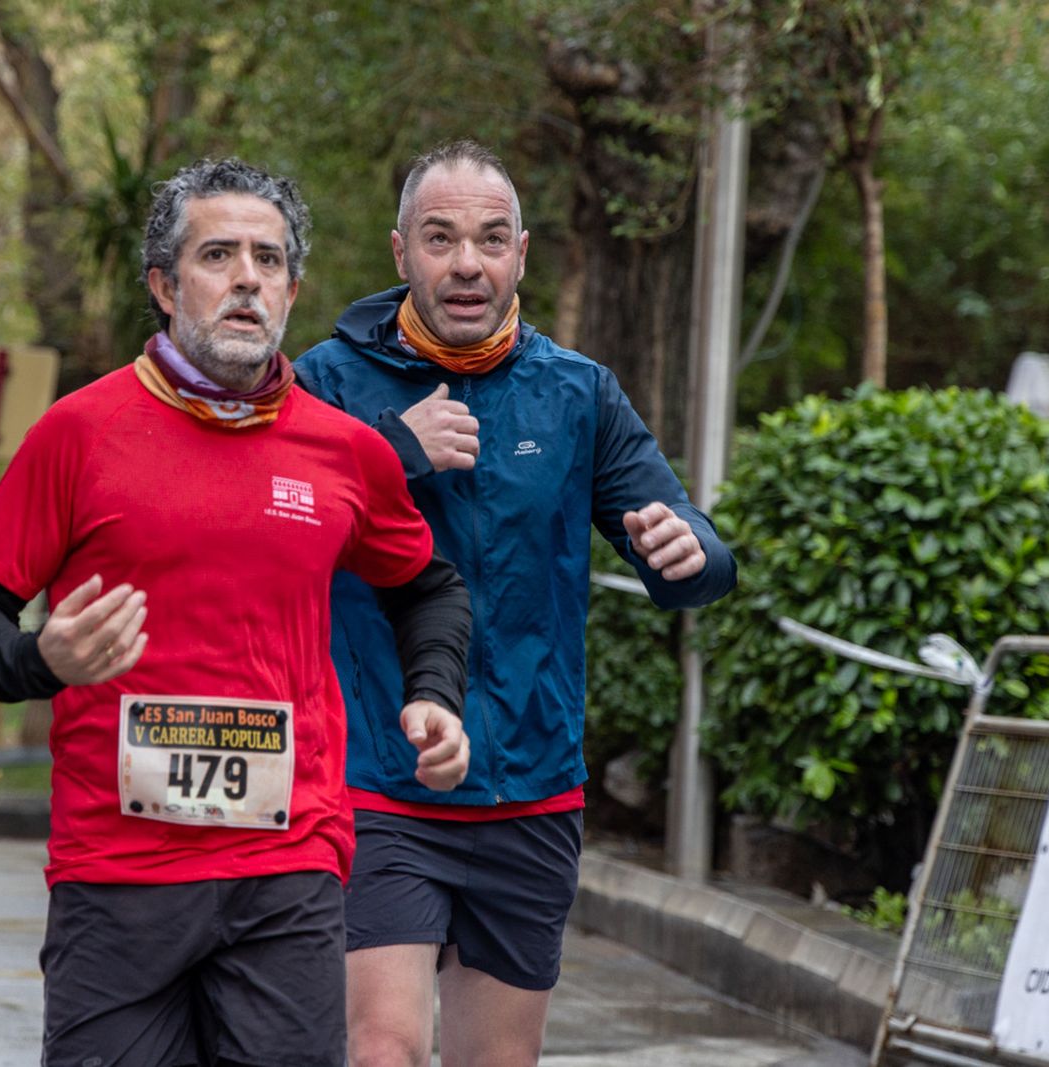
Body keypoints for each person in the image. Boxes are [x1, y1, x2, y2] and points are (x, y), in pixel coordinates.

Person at [0, 157, 473, 1067]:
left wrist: (436, 693)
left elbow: (428, 584)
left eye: (268, 259)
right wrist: (40, 661)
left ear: (294, 288)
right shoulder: (79, 431)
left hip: (287, 861)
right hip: (117, 870)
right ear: (164, 282)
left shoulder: (346, 451)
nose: (246, 278)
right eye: (217, 254)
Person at [294, 140, 739, 1067]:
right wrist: (394, 455)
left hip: (530, 787)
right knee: (383, 1049)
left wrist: (690, 551)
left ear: (522, 256)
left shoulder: (577, 393)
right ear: (400, 253)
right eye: (441, 237)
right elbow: (276, 525)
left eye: (491, 240)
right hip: (380, 780)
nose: (467, 263)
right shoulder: (329, 384)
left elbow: (691, 552)